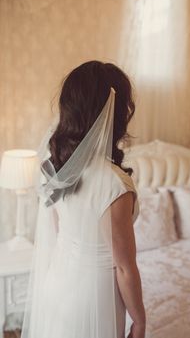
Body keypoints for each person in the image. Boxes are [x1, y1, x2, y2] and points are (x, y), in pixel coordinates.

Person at [21, 61, 146, 338]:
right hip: (95, 297)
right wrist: (139, 321)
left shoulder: (55, 166)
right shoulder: (115, 185)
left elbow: (59, 232)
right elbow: (125, 268)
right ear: (114, 114)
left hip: (57, 284)